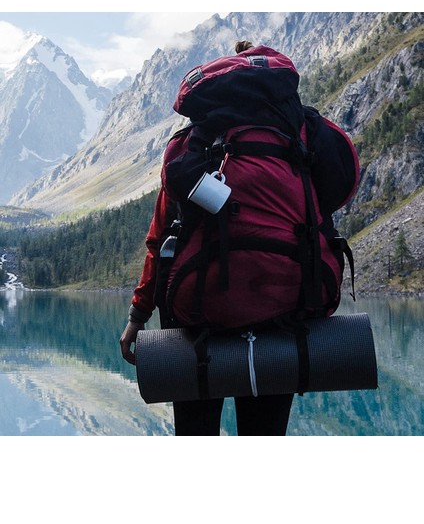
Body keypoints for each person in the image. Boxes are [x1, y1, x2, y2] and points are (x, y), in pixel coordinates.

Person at [120, 39, 354, 435]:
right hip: (285, 312)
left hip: (198, 319)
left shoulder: (189, 145)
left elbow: (160, 240)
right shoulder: (300, 136)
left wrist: (137, 318)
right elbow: (337, 194)